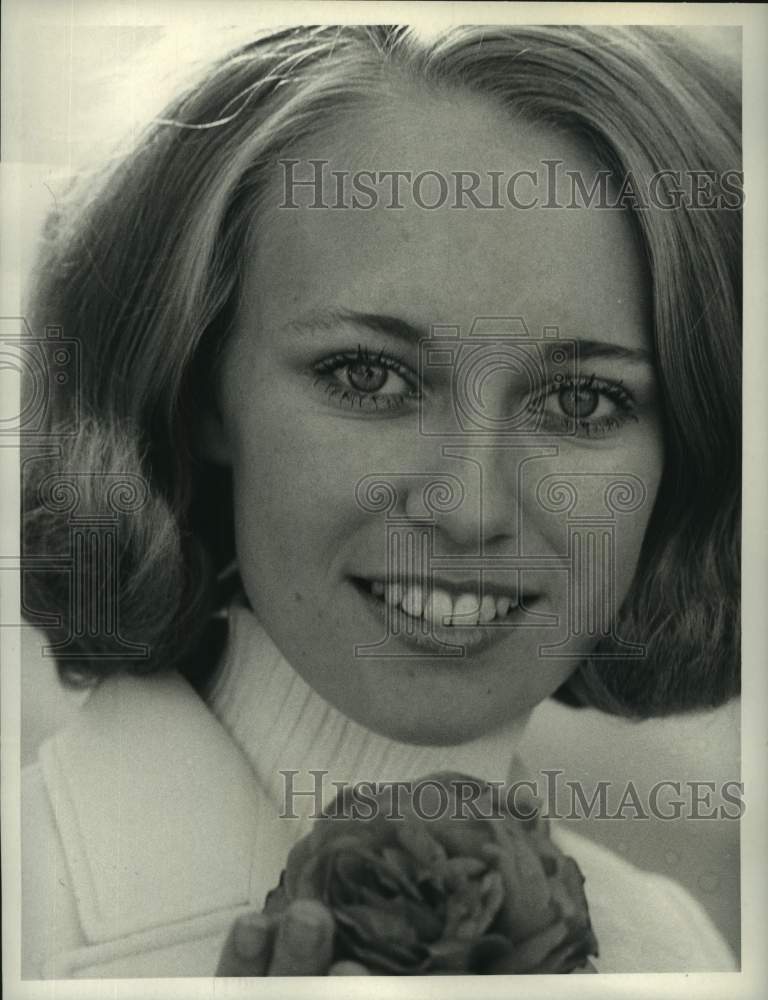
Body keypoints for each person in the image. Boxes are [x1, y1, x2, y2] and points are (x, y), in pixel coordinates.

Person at [19, 24, 740, 978]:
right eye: (368, 376)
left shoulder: (673, 945)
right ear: (197, 388)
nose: (467, 505)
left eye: (580, 401)